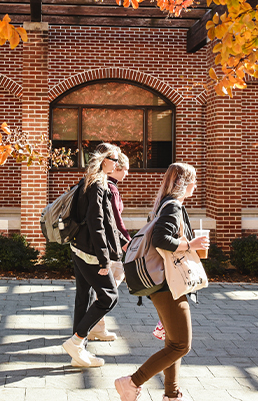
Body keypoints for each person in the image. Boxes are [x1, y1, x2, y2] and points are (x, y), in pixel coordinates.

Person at [114, 162, 209, 401]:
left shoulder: (162, 205)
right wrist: (192, 245)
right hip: (169, 285)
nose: (196, 186)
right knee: (181, 345)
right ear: (184, 183)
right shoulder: (173, 207)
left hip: (163, 284)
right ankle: (131, 382)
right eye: (193, 181)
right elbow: (161, 240)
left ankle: (171, 395)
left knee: (173, 342)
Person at [62, 143, 124, 367]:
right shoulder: (98, 185)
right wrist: (104, 258)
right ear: (104, 159)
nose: (117, 164)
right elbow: (97, 223)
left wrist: (124, 242)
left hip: (78, 248)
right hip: (90, 253)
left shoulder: (86, 181)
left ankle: (78, 352)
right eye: (115, 159)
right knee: (109, 296)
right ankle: (77, 341)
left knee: (84, 296)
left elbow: (105, 224)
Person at [89, 152, 131, 342]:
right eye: (126, 169)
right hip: (110, 246)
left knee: (103, 288)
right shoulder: (111, 189)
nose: (127, 174)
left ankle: (95, 325)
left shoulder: (104, 185)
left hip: (104, 245)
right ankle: (95, 326)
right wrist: (127, 242)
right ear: (118, 167)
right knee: (110, 286)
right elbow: (115, 221)